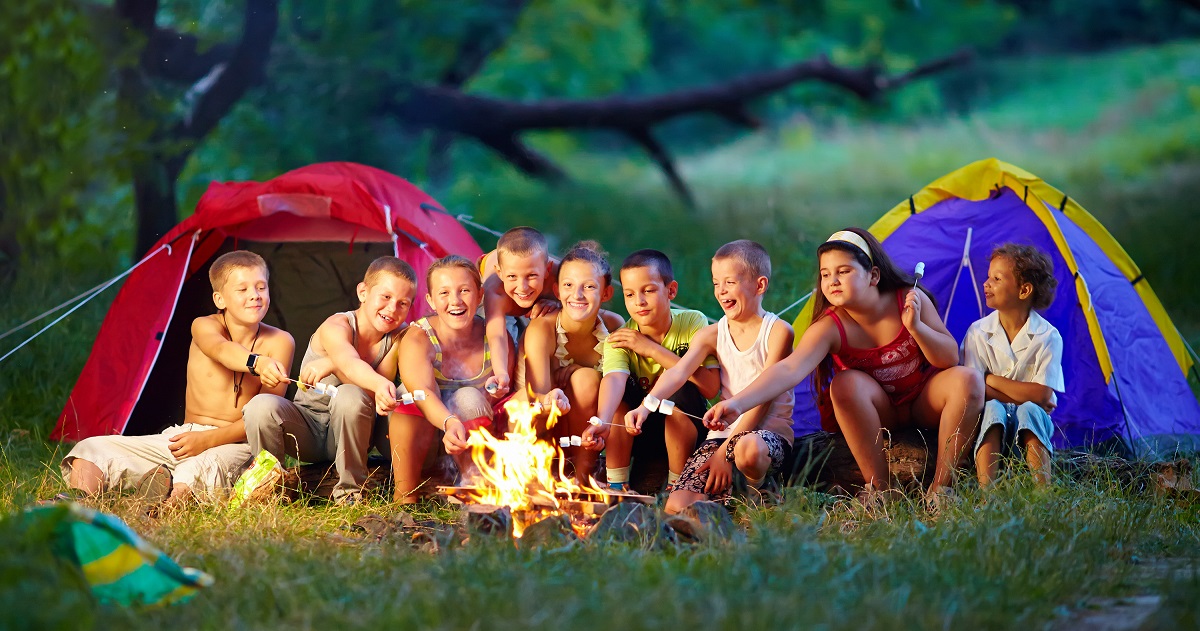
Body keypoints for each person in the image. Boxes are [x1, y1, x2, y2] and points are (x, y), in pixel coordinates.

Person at [705, 228, 984, 506]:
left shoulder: (907, 299)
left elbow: (948, 359)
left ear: (873, 275)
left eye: (844, 271)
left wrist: (916, 327)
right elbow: (789, 369)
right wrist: (738, 404)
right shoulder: (830, 326)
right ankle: (880, 491)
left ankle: (941, 490)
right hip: (881, 413)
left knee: (968, 379)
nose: (832, 280)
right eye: (825, 274)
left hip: (925, 402)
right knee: (844, 383)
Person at [61, 251, 294, 505]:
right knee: (91, 449)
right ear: (219, 299)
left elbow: (265, 418)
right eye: (243, 289)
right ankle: (75, 502)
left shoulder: (281, 341)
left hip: (237, 444)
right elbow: (221, 350)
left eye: (261, 287)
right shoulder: (204, 326)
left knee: (194, 470)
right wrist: (257, 362)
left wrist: (208, 440)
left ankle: (158, 508)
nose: (255, 295)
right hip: (186, 437)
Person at [625, 241, 794, 513]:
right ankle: (726, 499)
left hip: (766, 436)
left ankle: (758, 491)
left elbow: (764, 400)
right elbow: (679, 371)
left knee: (747, 450)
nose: (721, 291)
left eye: (730, 282)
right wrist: (645, 407)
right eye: (716, 283)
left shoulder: (778, 332)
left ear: (759, 285)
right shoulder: (712, 333)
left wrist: (725, 453)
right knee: (676, 508)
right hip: (721, 437)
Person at [242, 256, 416, 505]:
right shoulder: (337, 325)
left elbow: (374, 388)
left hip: (352, 434)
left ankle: (350, 492)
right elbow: (349, 360)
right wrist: (339, 362)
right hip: (308, 429)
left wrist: (332, 364)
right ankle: (266, 487)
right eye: (386, 297)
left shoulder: (398, 338)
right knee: (261, 406)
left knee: (351, 394)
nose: (392, 309)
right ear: (363, 292)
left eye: (403, 304)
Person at [582, 249, 722, 492]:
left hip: (685, 426)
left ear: (671, 291)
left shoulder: (693, 322)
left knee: (680, 389)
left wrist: (650, 349)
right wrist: (602, 420)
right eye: (629, 294)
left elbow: (710, 388)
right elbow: (615, 379)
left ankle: (676, 487)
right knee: (618, 398)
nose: (639, 301)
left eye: (648, 290)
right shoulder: (620, 338)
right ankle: (616, 486)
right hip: (637, 428)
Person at [386, 255, 513, 503]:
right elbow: (421, 391)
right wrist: (448, 421)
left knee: (468, 398)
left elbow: (502, 399)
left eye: (464, 290)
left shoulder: (497, 339)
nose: (455, 301)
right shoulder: (418, 336)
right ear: (431, 301)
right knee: (410, 395)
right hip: (417, 439)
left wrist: (496, 392)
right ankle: (405, 496)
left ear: (480, 295)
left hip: (472, 443)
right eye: (444, 293)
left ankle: (474, 488)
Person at [523, 241, 625, 481]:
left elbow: (620, 381)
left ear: (606, 293)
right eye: (568, 285)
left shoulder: (613, 326)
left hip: (594, 429)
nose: (577, 295)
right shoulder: (543, 329)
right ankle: (548, 472)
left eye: (589, 286)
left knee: (591, 382)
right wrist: (552, 396)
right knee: (584, 380)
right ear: (557, 291)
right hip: (546, 422)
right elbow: (534, 396)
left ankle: (585, 477)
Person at [962, 243, 1062, 486]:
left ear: (1024, 290)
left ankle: (1042, 493)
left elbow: (1041, 395)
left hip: (1032, 426)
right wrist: (1029, 395)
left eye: (996, 279)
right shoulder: (977, 332)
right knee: (993, 408)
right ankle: (988, 494)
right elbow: (973, 391)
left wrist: (990, 379)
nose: (986, 284)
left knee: (1030, 411)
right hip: (990, 426)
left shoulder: (1048, 336)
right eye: (988, 277)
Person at [478, 227, 560, 400]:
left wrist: (558, 302)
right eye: (512, 277)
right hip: (490, 289)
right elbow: (496, 335)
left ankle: (535, 388)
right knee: (504, 347)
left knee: (547, 322)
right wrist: (501, 373)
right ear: (500, 273)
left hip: (540, 297)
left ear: (547, 269)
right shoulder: (495, 291)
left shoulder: (560, 277)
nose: (522, 287)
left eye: (531, 276)